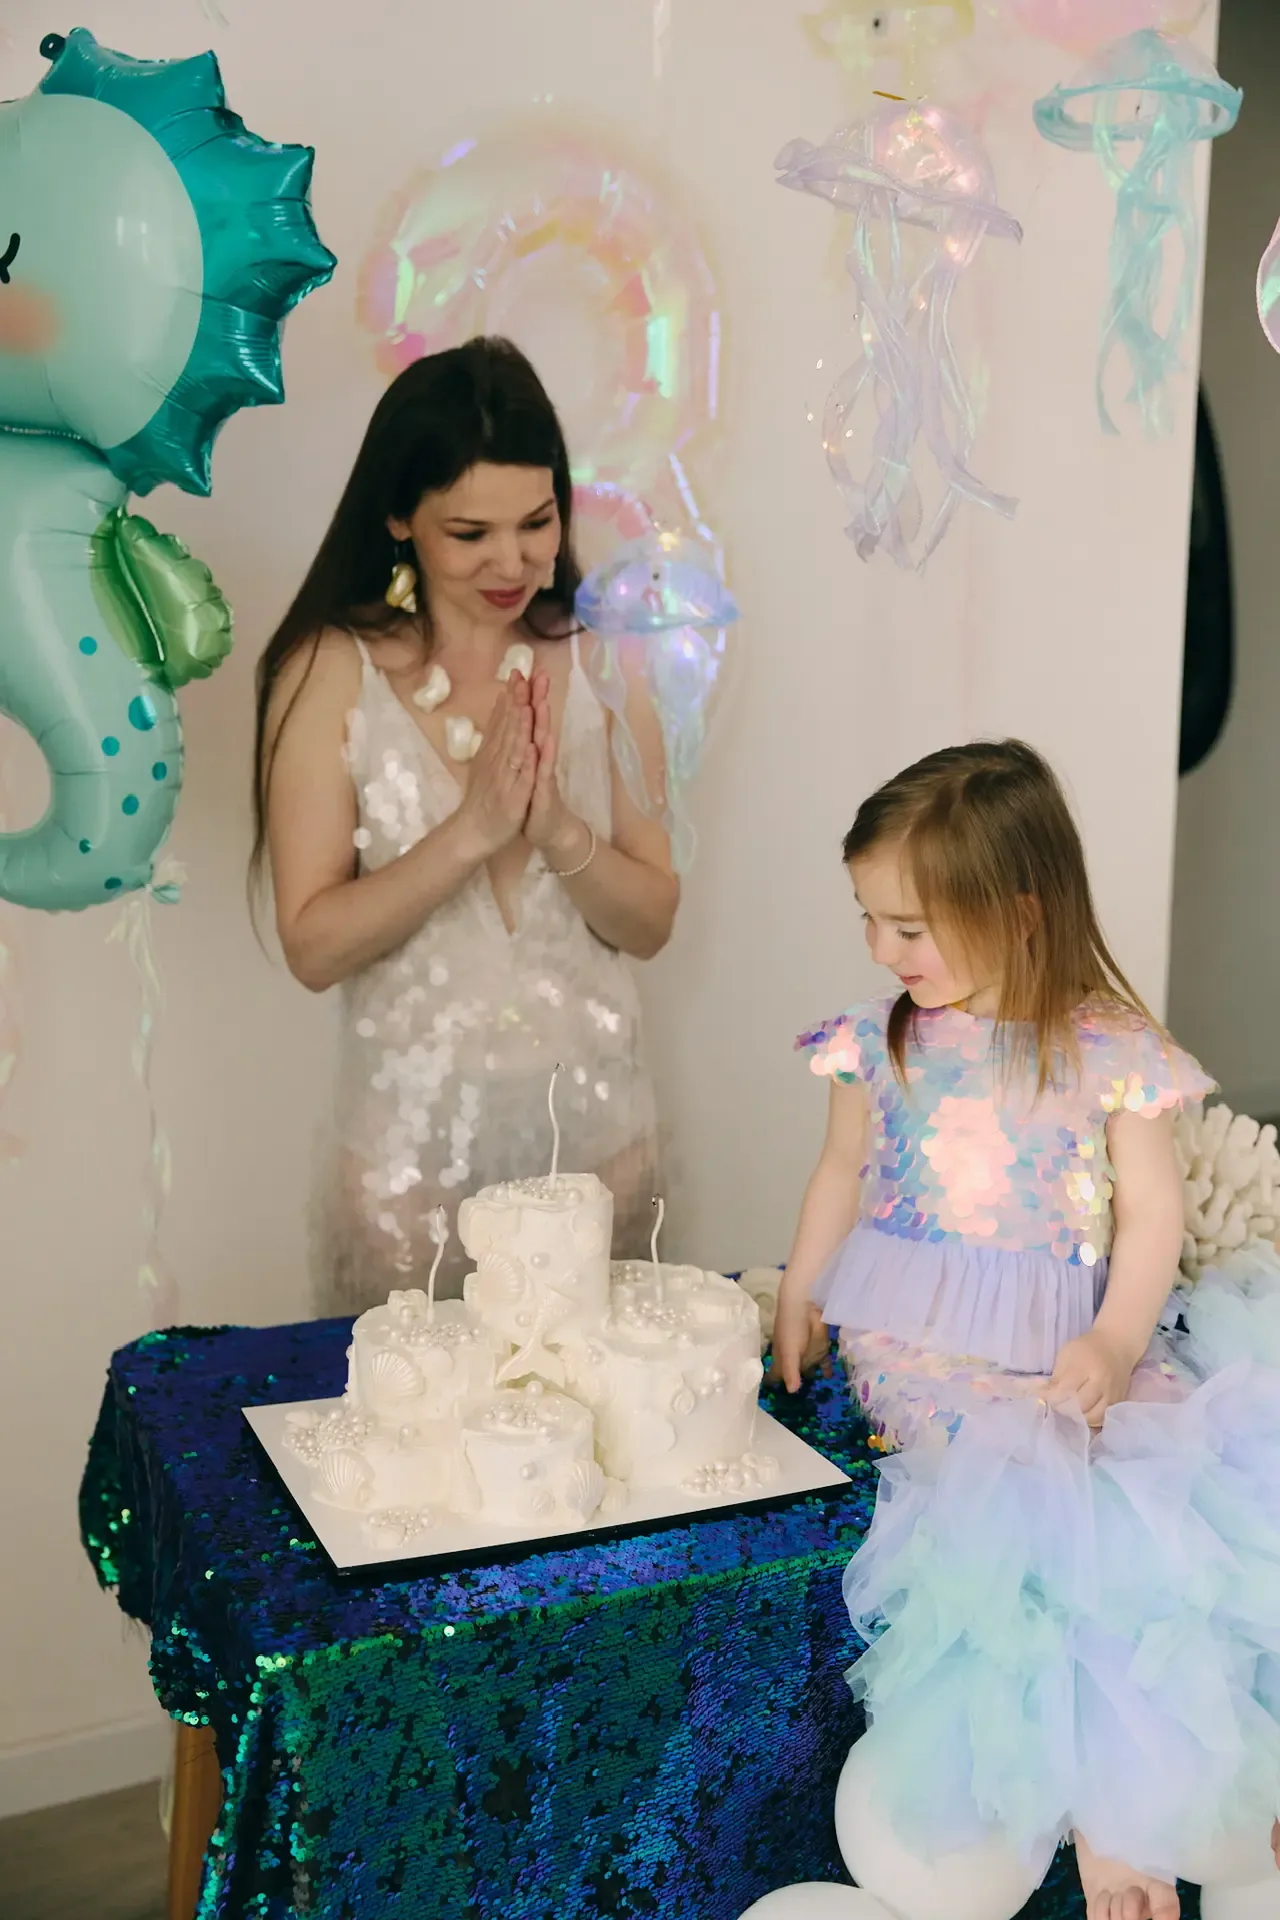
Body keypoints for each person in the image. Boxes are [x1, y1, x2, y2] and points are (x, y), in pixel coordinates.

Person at [772, 741, 1280, 1920]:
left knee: (1158, 1495)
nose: (880, 949)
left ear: (1017, 911)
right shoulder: (877, 1040)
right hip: (920, 1343)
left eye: (908, 926)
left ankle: (1166, 1793)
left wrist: (1112, 1343)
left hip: (1067, 1334)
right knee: (1033, 1512)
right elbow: (840, 1172)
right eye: (868, 919)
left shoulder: (1106, 1050)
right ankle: (1113, 1825)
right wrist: (798, 1291)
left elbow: (1149, 1216)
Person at [252, 338, 677, 1311]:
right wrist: (472, 832)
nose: (512, 561)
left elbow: (652, 920)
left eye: (536, 522)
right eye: (470, 532)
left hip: (603, 1165)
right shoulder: (330, 670)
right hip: (404, 1188)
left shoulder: (607, 657)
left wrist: (558, 830)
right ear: (399, 517)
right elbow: (312, 945)